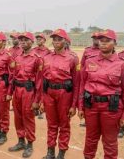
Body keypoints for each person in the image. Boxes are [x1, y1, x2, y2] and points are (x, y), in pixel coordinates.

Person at [78, 29, 124, 159]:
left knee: (110, 141)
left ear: (115, 43)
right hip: (91, 106)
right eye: (102, 41)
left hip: (111, 109)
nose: (103, 43)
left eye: (108, 41)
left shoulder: (122, 64)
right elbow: (82, 84)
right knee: (90, 138)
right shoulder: (90, 61)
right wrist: (80, 106)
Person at [41, 29, 80, 159]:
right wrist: (42, 99)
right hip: (49, 94)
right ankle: (50, 152)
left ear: (65, 41)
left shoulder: (73, 58)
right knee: (51, 124)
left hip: (65, 94)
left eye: (59, 39)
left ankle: (61, 153)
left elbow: (76, 83)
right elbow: (43, 79)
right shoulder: (46, 57)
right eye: (54, 39)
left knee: (64, 125)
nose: (56, 41)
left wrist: (74, 105)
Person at [6, 32, 42, 158]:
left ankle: (30, 144)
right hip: (17, 91)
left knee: (28, 118)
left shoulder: (37, 59)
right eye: (21, 40)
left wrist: (37, 100)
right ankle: (21, 141)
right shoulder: (17, 57)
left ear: (32, 42)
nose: (22, 42)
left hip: (29, 92)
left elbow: (39, 82)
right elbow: (12, 76)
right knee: (18, 117)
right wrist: (10, 92)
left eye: (25, 40)